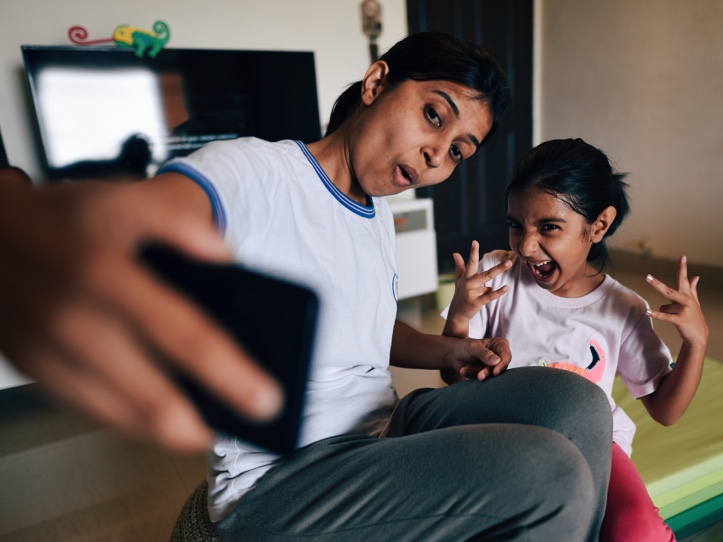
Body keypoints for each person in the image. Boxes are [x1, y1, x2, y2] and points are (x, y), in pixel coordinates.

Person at [0, 33, 613, 541]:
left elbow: (365, 332)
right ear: (376, 84)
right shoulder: (256, 171)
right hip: (283, 482)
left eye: (458, 150)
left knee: (575, 404)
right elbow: (144, 220)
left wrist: (446, 349)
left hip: (381, 434)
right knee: (545, 471)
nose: (435, 157)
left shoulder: (374, 216)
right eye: (433, 114)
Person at [442, 139, 710, 542]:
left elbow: (666, 411)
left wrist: (697, 342)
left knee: (638, 532)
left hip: (593, 445)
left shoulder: (623, 308)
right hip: (504, 437)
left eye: (548, 227)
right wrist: (461, 318)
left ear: (598, 226)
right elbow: (452, 378)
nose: (527, 246)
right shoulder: (497, 274)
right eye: (516, 225)